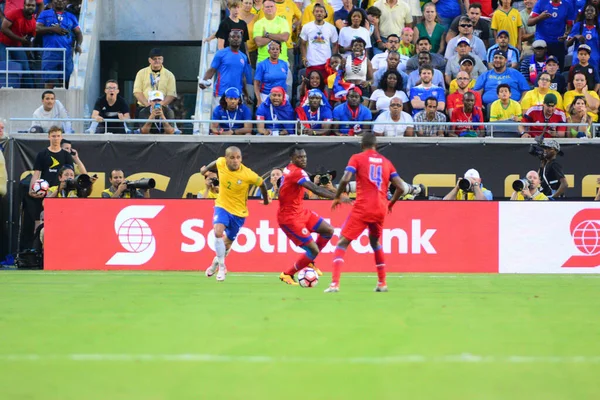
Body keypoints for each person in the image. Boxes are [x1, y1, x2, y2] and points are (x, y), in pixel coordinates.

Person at [324, 133, 423, 293]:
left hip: (363, 207)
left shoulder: (357, 158)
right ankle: (382, 283)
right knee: (375, 242)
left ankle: (334, 284)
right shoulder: (386, 162)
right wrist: (390, 204)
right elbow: (401, 187)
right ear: (376, 145)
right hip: (380, 208)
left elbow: (345, 178)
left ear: (362, 145)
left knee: (342, 242)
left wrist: (338, 196)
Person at [278, 146, 351, 285]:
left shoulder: (289, 169)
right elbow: (315, 189)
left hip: (300, 212)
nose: (303, 159)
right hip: (289, 218)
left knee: (328, 230)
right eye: (299, 157)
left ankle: (309, 261)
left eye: (304, 156)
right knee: (313, 249)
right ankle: (287, 274)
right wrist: (338, 197)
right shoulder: (296, 172)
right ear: (292, 159)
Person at [201, 146, 270, 282]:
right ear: (226, 158)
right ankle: (221, 267)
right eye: (232, 158)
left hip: (239, 213)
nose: (235, 161)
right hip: (222, 206)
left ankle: (215, 263)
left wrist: (266, 200)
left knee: (226, 244)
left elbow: (262, 184)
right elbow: (214, 163)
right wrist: (205, 170)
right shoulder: (221, 162)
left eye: (238, 157)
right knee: (218, 232)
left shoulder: (247, 174)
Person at [36, 0, 82, 88]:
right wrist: (52, 29)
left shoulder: (71, 16)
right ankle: (48, 100)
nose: (60, 1)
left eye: (63, 0)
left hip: (66, 53)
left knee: (65, 82)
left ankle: (66, 101)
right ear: (52, 1)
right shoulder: (44, 14)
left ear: (66, 2)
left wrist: (78, 45)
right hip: (50, 52)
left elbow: (79, 33)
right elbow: (36, 28)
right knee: (49, 82)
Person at [199, 30, 253, 99]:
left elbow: (243, 77)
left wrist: (246, 95)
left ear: (241, 39)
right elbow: (212, 70)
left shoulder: (243, 57)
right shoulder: (221, 53)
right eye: (233, 37)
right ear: (229, 39)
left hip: (236, 96)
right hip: (221, 94)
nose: (236, 39)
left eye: (238, 37)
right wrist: (204, 81)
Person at [527, 0, 576, 68]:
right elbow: (529, 22)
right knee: (540, 68)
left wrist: (566, 35)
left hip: (558, 43)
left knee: (558, 69)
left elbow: (570, 26)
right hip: (542, 42)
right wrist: (540, 17)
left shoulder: (567, 5)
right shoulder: (541, 2)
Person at [0, 0, 37, 88]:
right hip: (2, 43)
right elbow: (3, 29)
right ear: (24, 5)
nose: (30, 7)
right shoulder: (14, 13)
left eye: (32, 5)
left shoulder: (33, 22)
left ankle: (30, 91)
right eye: (28, 5)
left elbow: (31, 38)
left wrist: (29, 52)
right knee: (4, 66)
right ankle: (3, 90)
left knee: (25, 67)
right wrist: (21, 39)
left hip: (17, 45)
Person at [299, 3, 338, 78]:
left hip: (326, 63)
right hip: (311, 63)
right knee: (312, 85)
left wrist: (332, 59)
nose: (319, 13)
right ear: (313, 13)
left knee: (325, 86)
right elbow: (303, 43)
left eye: (321, 11)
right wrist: (304, 58)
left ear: (325, 14)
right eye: (317, 11)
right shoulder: (307, 27)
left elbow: (335, 44)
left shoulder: (331, 28)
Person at [252, 0, 291, 65]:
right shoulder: (258, 24)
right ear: (263, 9)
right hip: (263, 61)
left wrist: (267, 34)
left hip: (281, 60)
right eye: (267, 7)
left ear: (275, 8)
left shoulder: (283, 21)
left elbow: (284, 37)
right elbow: (259, 42)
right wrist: (278, 36)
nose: (269, 8)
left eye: (271, 6)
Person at [567, 5, 600, 72]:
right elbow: (567, 44)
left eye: (592, 11)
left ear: (596, 14)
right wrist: (575, 37)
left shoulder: (598, 27)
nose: (589, 12)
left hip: (594, 59)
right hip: (578, 59)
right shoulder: (578, 26)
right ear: (584, 13)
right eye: (587, 11)